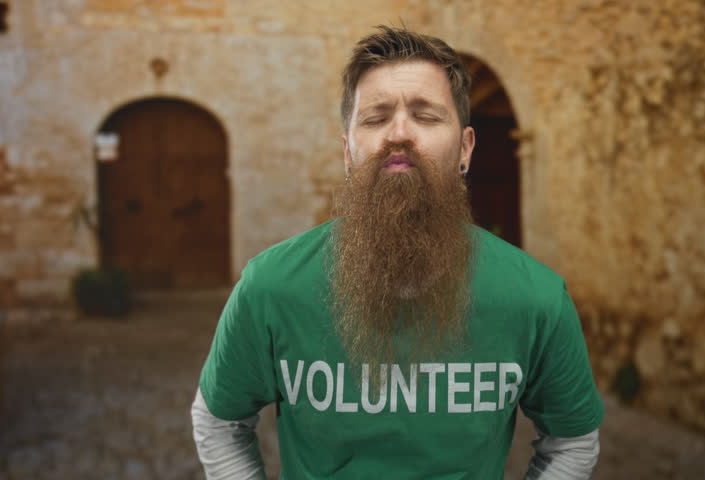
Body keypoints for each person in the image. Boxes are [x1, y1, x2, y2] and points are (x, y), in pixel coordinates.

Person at [191, 25, 603, 480]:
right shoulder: (271, 286)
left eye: (426, 116)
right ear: (348, 151)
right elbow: (219, 420)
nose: (399, 132)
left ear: (465, 148)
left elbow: (572, 439)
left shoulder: (536, 297)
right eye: (375, 117)